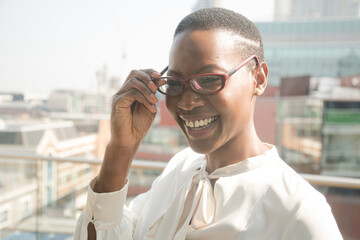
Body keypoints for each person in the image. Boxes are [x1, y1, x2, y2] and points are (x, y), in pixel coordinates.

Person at [74, 8, 342, 240]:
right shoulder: (178, 168)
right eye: (176, 83)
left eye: (211, 79)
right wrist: (121, 148)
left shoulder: (300, 210)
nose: (187, 102)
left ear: (258, 79)